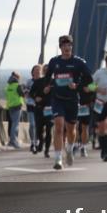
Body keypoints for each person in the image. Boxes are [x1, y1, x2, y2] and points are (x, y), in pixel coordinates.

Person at [43, 35, 93, 170]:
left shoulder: (79, 62)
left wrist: (77, 85)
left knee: (71, 130)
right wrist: (47, 86)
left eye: (69, 45)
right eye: (64, 45)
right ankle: (58, 159)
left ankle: (69, 150)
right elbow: (47, 77)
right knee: (59, 126)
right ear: (60, 47)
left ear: (72, 47)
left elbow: (89, 79)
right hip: (57, 98)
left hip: (72, 100)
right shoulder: (54, 61)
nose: (67, 48)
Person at [4, 71, 25, 149]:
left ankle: (11, 141)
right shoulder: (18, 86)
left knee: (12, 123)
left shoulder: (8, 86)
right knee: (15, 124)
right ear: (17, 78)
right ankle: (14, 141)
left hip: (10, 106)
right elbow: (22, 94)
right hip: (17, 106)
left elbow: (7, 95)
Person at [25, 64, 42, 153]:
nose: (37, 72)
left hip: (40, 106)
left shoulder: (43, 81)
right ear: (32, 72)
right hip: (31, 105)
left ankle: (37, 141)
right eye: (35, 70)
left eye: (39, 70)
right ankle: (32, 143)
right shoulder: (29, 82)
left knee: (39, 125)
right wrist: (34, 95)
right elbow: (26, 93)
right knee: (32, 124)